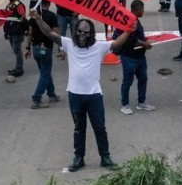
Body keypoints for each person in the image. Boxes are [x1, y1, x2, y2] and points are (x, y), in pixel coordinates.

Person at [30, 12, 130, 171]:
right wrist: (37, 18)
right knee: (79, 128)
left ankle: (105, 158)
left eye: (86, 32)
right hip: (75, 95)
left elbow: (117, 43)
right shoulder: (69, 44)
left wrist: (129, 30)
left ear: (91, 34)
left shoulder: (100, 46)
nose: (82, 35)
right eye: (80, 31)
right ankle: (79, 158)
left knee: (100, 127)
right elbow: (49, 33)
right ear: (75, 31)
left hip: (94, 95)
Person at [117, 0, 155, 114]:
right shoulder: (130, 21)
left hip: (140, 57)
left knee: (143, 79)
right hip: (129, 56)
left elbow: (138, 36)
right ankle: (125, 104)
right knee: (127, 81)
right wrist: (145, 44)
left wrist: (145, 40)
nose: (144, 11)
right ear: (138, 10)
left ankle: (141, 102)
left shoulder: (136, 20)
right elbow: (132, 39)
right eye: (142, 9)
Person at [26, 0, 61, 109]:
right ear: (49, 4)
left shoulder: (33, 17)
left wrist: (27, 47)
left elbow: (30, 33)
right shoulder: (52, 16)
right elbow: (55, 33)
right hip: (46, 48)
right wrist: (61, 47)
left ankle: (52, 95)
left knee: (45, 72)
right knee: (45, 73)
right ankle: (36, 99)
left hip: (35, 47)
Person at [2, 0, 28, 81]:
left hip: (17, 31)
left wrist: (21, 20)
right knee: (15, 50)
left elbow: (22, 15)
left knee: (17, 50)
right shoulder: (9, 5)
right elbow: (6, 19)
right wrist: (6, 31)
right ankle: (18, 67)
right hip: (11, 31)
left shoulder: (17, 4)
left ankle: (19, 69)